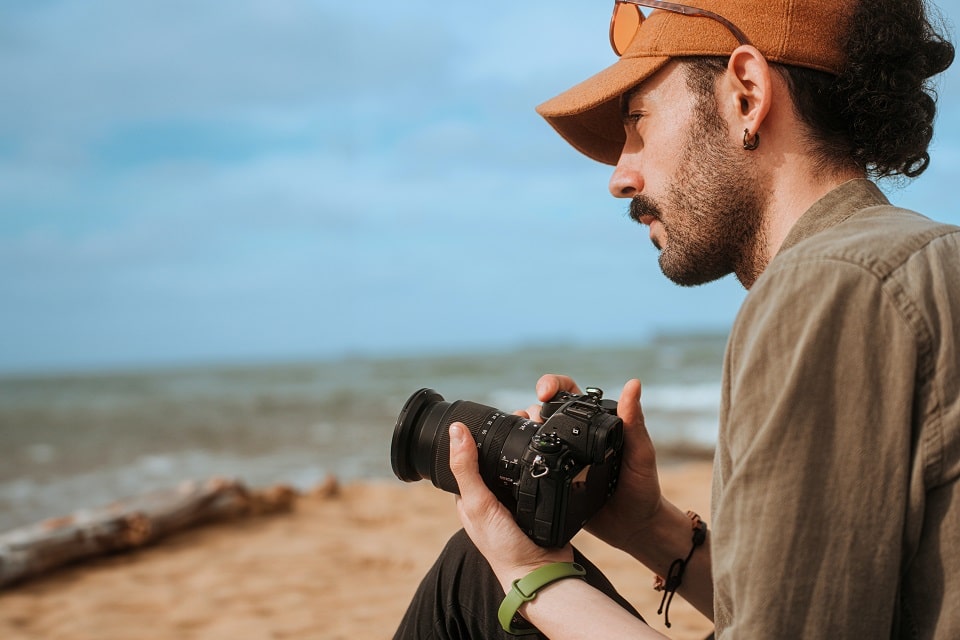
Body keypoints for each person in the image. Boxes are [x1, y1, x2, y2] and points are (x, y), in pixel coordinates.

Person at [394, 0, 959, 637]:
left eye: (639, 123)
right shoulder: (918, 255)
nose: (620, 176)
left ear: (746, 94)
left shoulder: (829, 286)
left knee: (473, 576)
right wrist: (648, 525)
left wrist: (529, 574)